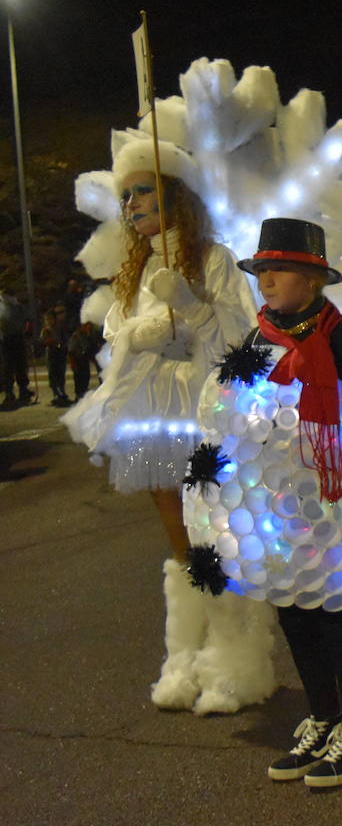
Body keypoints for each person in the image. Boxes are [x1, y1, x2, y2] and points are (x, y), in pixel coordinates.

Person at [60, 138, 268, 712]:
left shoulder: (214, 259)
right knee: (177, 538)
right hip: (153, 417)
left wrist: (194, 311)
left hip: (204, 414)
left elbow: (245, 342)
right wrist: (140, 333)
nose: (131, 204)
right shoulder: (135, 271)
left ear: (173, 194)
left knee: (214, 530)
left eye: (142, 191)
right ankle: (184, 656)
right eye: (125, 197)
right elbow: (116, 338)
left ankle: (234, 663)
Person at [235, 218, 342, 787]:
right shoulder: (258, 337)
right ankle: (325, 716)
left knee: (333, 610)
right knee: (291, 606)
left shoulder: (338, 335)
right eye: (262, 269)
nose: (267, 280)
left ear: (312, 280)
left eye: (278, 269)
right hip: (280, 500)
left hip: (333, 497)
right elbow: (236, 410)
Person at [0, 290, 37, 408]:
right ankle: (9, 392)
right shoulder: (2, 307)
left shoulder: (18, 307)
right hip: (5, 339)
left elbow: (28, 319)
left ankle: (23, 390)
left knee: (21, 365)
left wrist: (28, 332)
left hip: (18, 338)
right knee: (8, 367)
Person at [40, 306, 73, 406]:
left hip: (60, 354)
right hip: (51, 355)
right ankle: (56, 394)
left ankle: (61, 392)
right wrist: (49, 342)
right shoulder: (46, 331)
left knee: (60, 374)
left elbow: (65, 340)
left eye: (50, 319)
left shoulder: (60, 329)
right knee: (53, 375)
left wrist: (63, 345)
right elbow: (43, 341)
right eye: (47, 320)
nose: (49, 322)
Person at [67, 320, 101, 399]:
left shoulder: (87, 336)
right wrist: (73, 363)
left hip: (84, 360)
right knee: (79, 378)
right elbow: (71, 351)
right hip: (78, 360)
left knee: (86, 376)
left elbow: (91, 349)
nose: (88, 328)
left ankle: (83, 391)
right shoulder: (76, 337)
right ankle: (79, 394)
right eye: (86, 326)